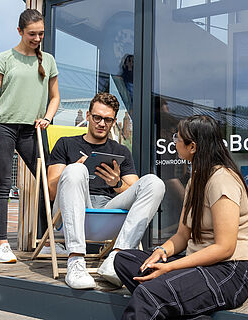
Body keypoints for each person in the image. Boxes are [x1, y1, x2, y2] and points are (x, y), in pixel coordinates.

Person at [114, 115, 248, 319]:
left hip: (229, 271)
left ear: (193, 147)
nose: (174, 141)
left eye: (178, 138)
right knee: (124, 259)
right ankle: (186, 307)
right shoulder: (196, 180)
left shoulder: (222, 181)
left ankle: (167, 298)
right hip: (197, 263)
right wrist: (161, 251)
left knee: (149, 293)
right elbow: (182, 235)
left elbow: (225, 248)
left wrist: (170, 267)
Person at [47, 92, 165, 290]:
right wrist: (74, 169)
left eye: (108, 119)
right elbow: (51, 191)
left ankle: (117, 259)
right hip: (72, 209)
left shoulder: (120, 151)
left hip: (108, 211)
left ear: (113, 121)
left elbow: (136, 190)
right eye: (97, 117)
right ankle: (75, 261)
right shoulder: (66, 144)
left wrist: (116, 183)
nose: (102, 123)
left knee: (154, 183)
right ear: (87, 116)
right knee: (76, 171)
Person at [0, 9, 60, 264]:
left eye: (41, 33)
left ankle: (48, 240)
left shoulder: (47, 60)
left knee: (47, 181)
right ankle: (2, 244)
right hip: (3, 126)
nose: (37, 38)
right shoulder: (5, 58)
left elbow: (55, 97)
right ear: (19, 32)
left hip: (33, 130)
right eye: (32, 34)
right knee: (3, 185)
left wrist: (47, 117)